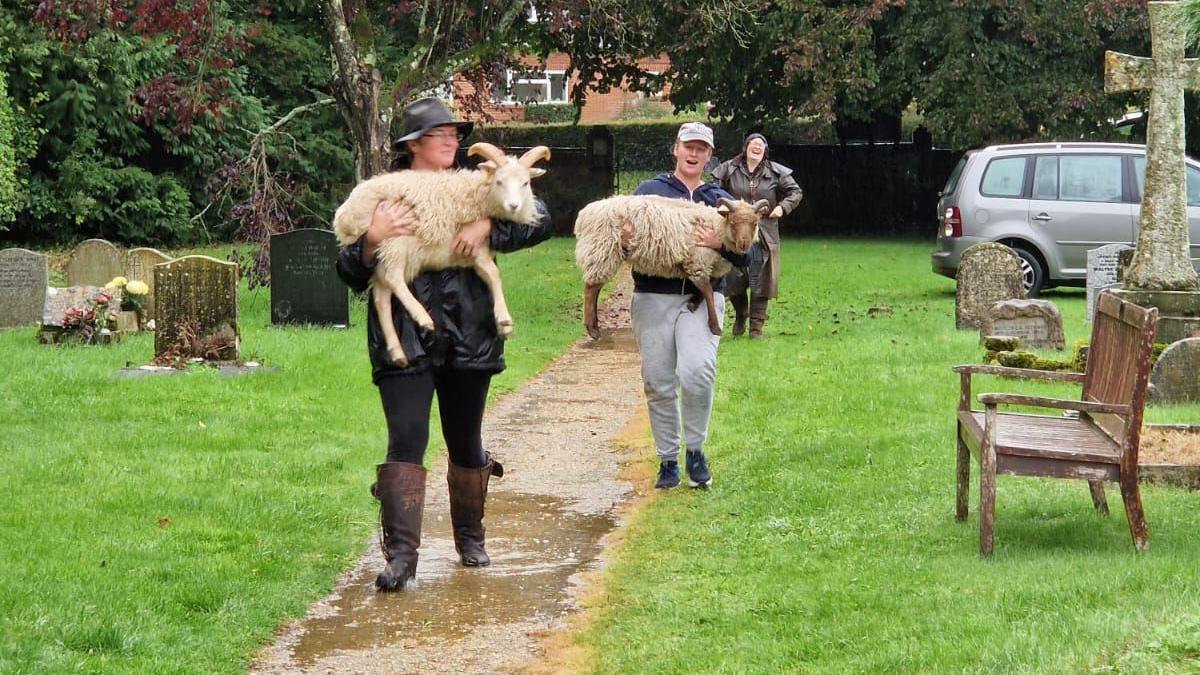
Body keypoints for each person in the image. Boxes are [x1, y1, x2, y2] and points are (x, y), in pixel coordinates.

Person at [335, 97, 552, 591]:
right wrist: (372, 240)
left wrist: (489, 226)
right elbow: (349, 271)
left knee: (466, 437)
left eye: (455, 133)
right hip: (405, 338)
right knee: (407, 438)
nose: (452, 141)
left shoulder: (480, 189)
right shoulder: (385, 198)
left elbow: (544, 220)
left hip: (470, 331)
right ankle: (402, 557)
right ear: (413, 145)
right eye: (440, 134)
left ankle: (471, 539)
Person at [629, 122, 746, 490]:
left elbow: (747, 257)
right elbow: (626, 241)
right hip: (653, 296)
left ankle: (695, 450)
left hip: (703, 299)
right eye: (688, 147)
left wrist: (718, 243)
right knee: (659, 381)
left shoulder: (720, 199)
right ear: (675, 149)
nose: (694, 154)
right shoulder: (649, 192)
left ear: (710, 155)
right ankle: (667, 459)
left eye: (702, 149)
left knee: (698, 372)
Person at [711, 133, 802, 338]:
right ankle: (741, 314)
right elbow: (713, 191)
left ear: (765, 150)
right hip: (733, 232)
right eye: (753, 144)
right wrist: (723, 211)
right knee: (733, 277)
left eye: (761, 145)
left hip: (764, 233)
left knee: (761, 278)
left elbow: (795, 192)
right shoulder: (728, 168)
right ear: (746, 147)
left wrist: (782, 208)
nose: (757, 147)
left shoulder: (776, 171)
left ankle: (756, 328)